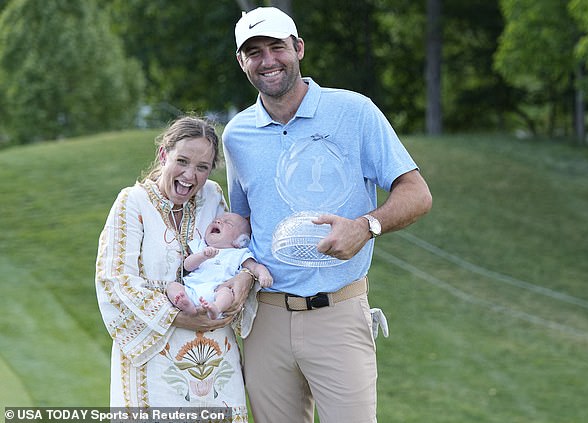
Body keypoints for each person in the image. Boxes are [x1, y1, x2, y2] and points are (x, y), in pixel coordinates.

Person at [223, 6, 433, 423]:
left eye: (277, 47)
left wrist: (365, 226)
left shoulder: (355, 112)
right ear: (241, 61)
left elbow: (417, 193)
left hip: (337, 314)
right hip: (263, 319)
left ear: (299, 48)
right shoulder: (236, 136)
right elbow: (243, 223)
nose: (267, 61)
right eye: (254, 52)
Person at [95, 116, 254, 420]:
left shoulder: (212, 196)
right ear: (163, 154)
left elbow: (235, 254)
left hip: (215, 355)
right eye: (182, 161)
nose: (190, 175)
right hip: (156, 355)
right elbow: (114, 283)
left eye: (202, 167)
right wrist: (177, 316)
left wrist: (244, 278)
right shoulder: (133, 203)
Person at [167, 212, 273, 319]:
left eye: (228, 223)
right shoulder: (200, 246)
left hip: (216, 292)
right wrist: (202, 256)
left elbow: (254, 267)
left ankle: (216, 309)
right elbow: (187, 266)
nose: (218, 221)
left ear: (241, 240)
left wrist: (264, 274)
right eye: (216, 220)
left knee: (227, 294)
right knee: (173, 287)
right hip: (191, 290)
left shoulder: (239, 254)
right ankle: (188, 306)